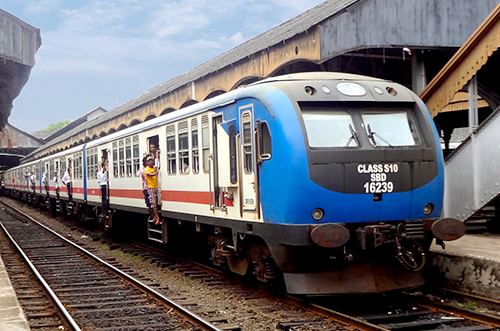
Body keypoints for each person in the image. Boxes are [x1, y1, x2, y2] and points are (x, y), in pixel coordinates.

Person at [145, 155, 161, 225]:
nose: (151, 161)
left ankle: (155, 216)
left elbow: (158, 169)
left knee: (157, 203)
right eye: (149, 160)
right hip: (150, 187)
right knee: (153, 203)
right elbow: (149, 174)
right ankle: (157, 217)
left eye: (152, 160)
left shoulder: (155, 168)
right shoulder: (147, 169)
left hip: (156, 186)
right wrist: (155, 173)